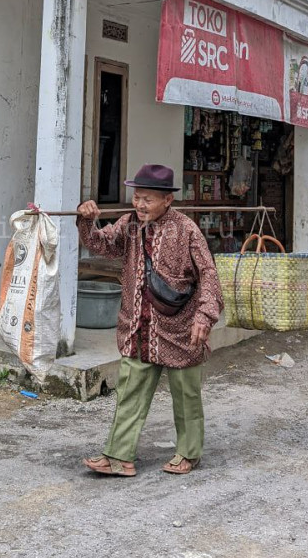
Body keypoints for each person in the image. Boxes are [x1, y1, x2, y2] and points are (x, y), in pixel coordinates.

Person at [77, 163, 224, 477]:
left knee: (186, 396)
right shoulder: (129, 224)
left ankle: (189, 453)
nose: (140, 204)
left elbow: (209, 275)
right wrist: (87, 220)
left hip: (181, 328)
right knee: (130, 390)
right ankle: (119, 457)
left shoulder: (186, 230)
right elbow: (99, 244)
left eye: (148, 199)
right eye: (137, 197)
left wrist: (205, 316)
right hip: (139, 327)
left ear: (167, 201)